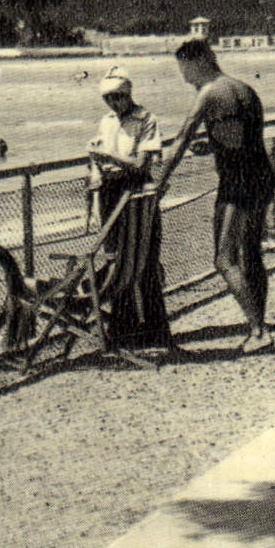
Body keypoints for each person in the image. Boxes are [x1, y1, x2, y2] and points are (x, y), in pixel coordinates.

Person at [155, 38, 275, 354]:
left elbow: (181, 139)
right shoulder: (244, 89)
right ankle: (259, 326)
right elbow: (242, 137)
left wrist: (158, 184)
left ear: (197, 63)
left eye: (184, 70)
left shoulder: (209, 93)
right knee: (251, 254)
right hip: (262, 175)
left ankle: (259, 330)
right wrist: (214, 145)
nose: (184, 78)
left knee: (224, 259)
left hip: (237, 183)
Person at [86, 67, 175, 355]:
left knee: (145, 261)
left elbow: (141, 165)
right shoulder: (107, 121)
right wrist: (97, 167)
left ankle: (155, 330)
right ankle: (123, 329)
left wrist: (110, 157)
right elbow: (99, 156)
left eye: (118, 97)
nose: (113, 104)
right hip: (111, 193)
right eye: (108, 99)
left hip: (137, 194)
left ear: (129, 94)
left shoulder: (145, 120)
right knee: (116, 261)